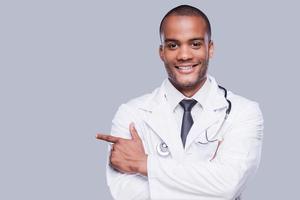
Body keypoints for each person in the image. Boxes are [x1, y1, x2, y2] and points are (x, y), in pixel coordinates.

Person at [96, 4, 264, 200]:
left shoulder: (244, 112)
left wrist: (144, 164)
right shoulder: (131, 113)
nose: (184, 55)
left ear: (210, 49)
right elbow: (127, 193)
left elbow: (229, 185)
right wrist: (208, 181)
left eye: (195, 44)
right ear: (161, 52)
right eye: (173, 45)